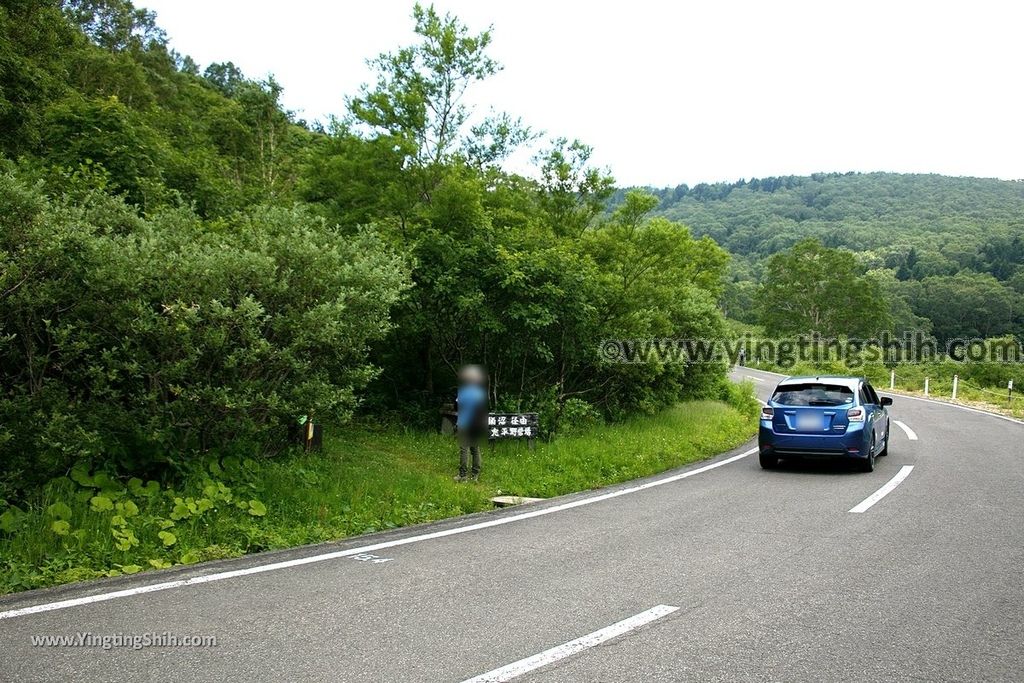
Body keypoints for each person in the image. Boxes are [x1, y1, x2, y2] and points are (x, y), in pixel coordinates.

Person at [454, 365, 488, 482]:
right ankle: (475, 475)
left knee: (464, 449)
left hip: (463, 423)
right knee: (475, 449)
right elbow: (483, 409)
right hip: (476, 424)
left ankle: (463, 476)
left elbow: (456, 406)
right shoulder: (480, 393)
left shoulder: (462, 392)